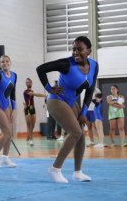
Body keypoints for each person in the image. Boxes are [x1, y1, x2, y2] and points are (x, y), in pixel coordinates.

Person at [36, 36, 98, 183]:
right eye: (74, 49)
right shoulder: (66, 64)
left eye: (80, 49)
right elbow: (41, 69)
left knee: (81, 135)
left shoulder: (94, 66)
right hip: (56, 100)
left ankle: (78, 172)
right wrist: (49, 88)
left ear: (89, 50)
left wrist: (83, 112)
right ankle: (54, 169)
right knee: (75, 132)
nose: (76, 52)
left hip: (71, 101)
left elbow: (89, 91)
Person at [23, 78, 46, 145]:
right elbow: (36, 94)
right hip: (27, 109)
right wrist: (44, 95)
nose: (28, 83)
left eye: (29, 82)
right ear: (26, 84)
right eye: (27, 82)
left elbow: (32, 100)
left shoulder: (32, 90)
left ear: (31, 83)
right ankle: (31, 139)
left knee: (33, 125)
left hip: (32, 109)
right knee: (29, 125)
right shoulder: (26, 91)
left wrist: (33, 107)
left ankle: (28, 137)